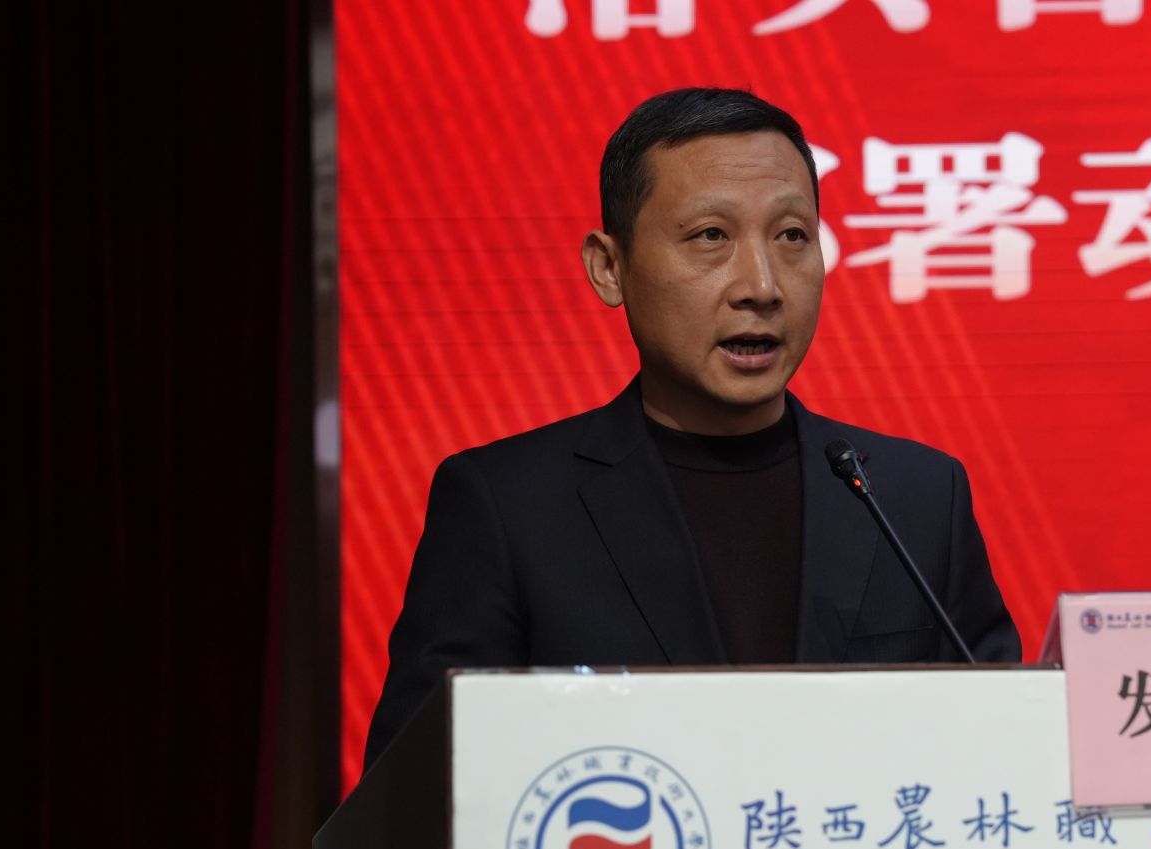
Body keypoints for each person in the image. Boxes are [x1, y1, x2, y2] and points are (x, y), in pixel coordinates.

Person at [364, 87, 1021, 771]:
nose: (761, 285)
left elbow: (1012, 755)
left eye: (792, 236)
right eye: (711, 236)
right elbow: (413, 794)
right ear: (609, 267)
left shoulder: (916, 498)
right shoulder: (508, 507)